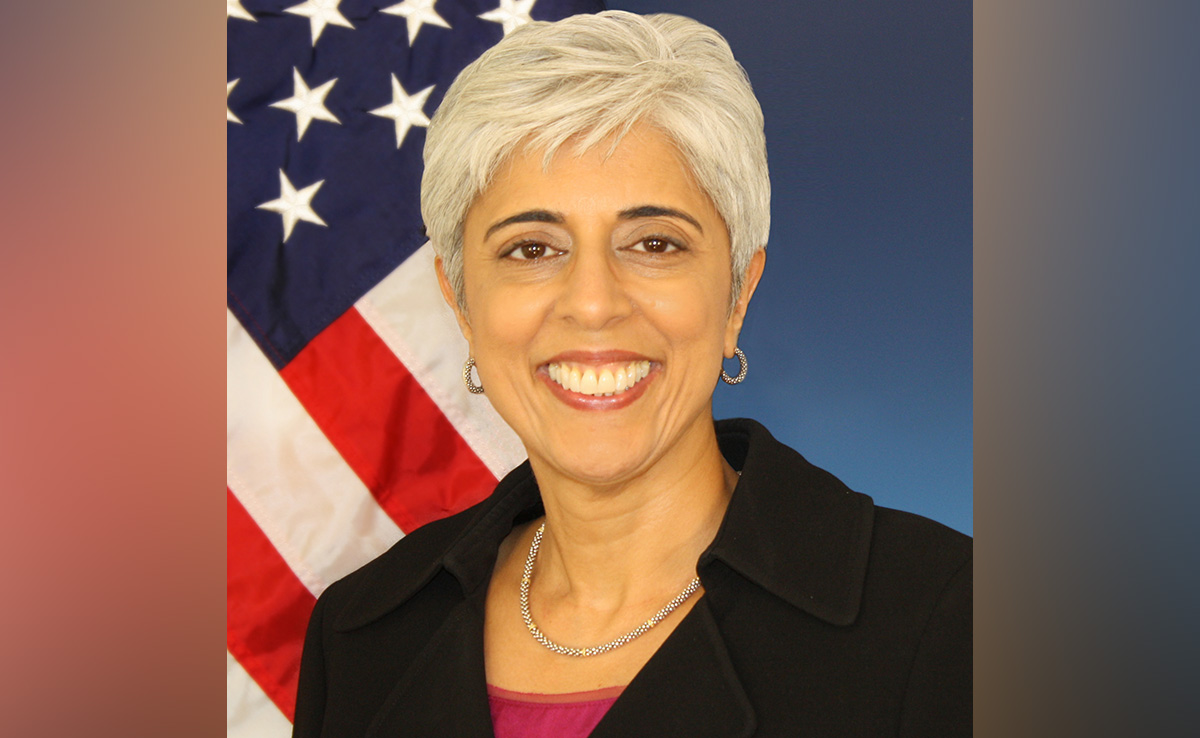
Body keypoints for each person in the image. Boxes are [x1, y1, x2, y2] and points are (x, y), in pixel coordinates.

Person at [292, 11, 970, 738]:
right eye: (532, 249)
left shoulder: (949, 621)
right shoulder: (361, 635)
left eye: (653, 243)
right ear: (460, 303)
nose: (592, 304)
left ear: (737, 295)